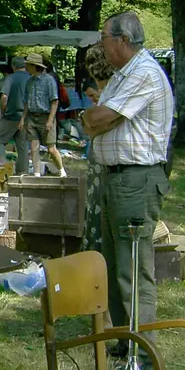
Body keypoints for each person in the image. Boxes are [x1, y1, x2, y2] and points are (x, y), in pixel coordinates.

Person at [80, 11, 174, 351]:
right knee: (114, 262)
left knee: (133, 266)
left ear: (123, 40)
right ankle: (124, 339)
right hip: (116, 177)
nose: (101, 45)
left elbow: (100, 117)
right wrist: (94, 121)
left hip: (135, 179)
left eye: (104, 37)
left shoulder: (143, 73)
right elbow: (95, 122)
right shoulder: (122, 75)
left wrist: (95, 120)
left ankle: (141, 347)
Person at [79, 44, 114, 255]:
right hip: (99, 161)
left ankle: (98, 255)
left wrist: (88, 118)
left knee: (99, 212)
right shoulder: (114, 90)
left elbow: (93, 126)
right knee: (94, 209)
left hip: (106, 164)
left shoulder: (111, 94)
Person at [19, 53, 66, 178]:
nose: (26, 68)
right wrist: (23, 119)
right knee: (34, 147)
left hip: (46, 116)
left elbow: (54, 101)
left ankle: (61, 170)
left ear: (34, 66)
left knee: (51, 148)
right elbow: (26, 103)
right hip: (32, 117)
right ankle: (36, 174)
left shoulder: (49, 80)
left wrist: (50, 121)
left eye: (28, 65)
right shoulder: (29, 82)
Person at [0, 57, 30, 173]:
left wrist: (3, 112)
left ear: (13, 66)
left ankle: (3, 167)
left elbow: (4, 97)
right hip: (26, 116)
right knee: (23, 146)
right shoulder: (31, 78)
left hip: (11, 115)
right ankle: (23, 171)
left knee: (0, 141)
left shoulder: (10, 78)